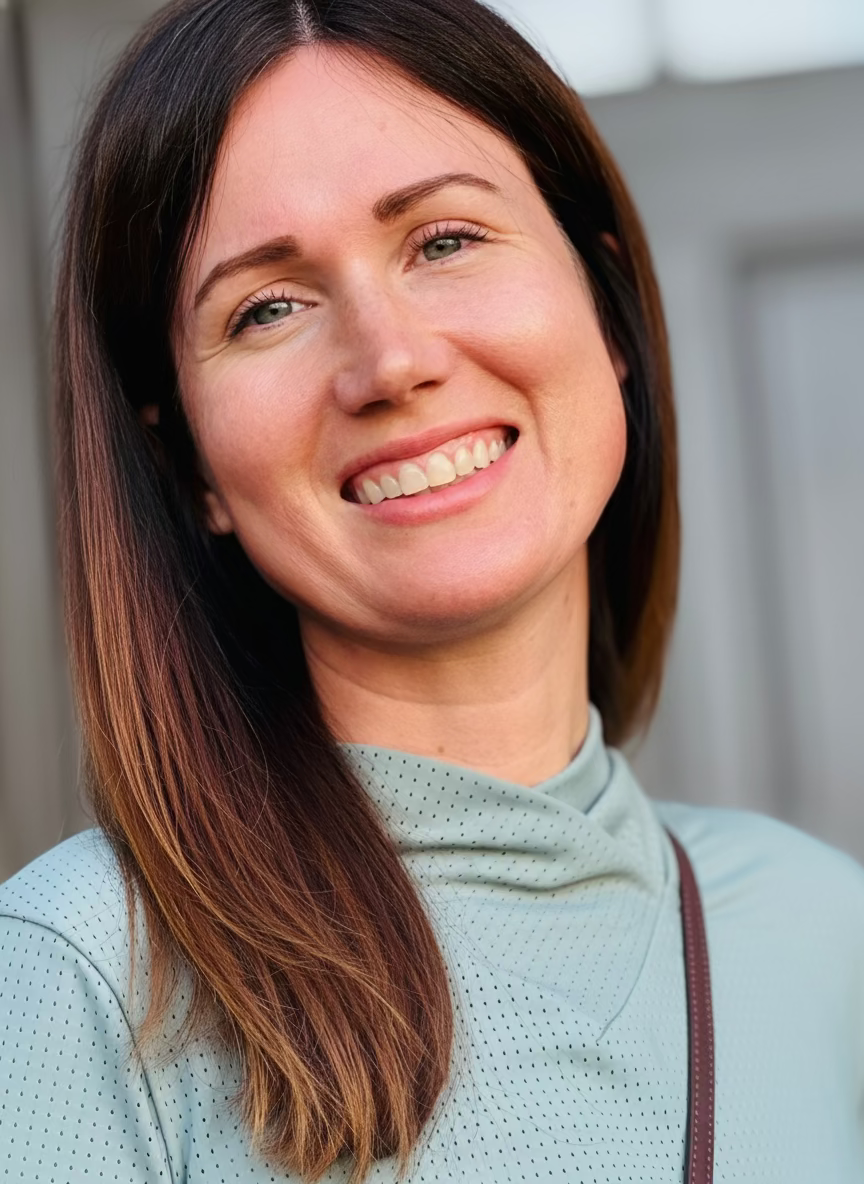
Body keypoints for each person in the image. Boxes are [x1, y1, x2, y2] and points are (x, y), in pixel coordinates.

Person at [1, 0, 862, 1180]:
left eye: (445, 240)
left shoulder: (826, 934)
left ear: (605, 309)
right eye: (268, 307)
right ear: (187, 461)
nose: (390, 359)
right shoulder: (83, 978)